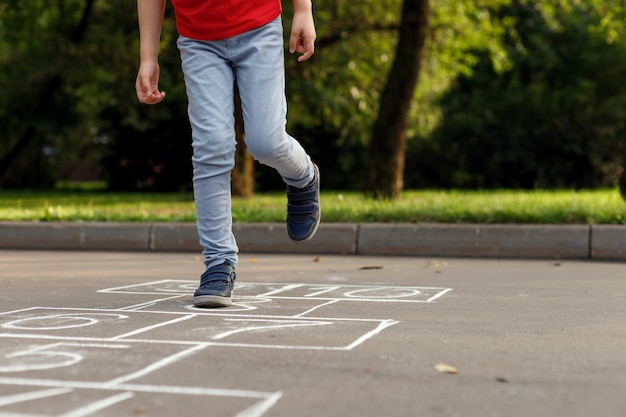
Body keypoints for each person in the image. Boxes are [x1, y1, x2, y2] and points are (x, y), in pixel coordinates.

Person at [135, 0, 321, 308]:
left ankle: (304, 174)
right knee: (212, 148)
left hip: (259, 28)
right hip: (198, 41)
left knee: (265, 141)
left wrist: (303, 9)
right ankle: (218, 262)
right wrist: (148, 56)